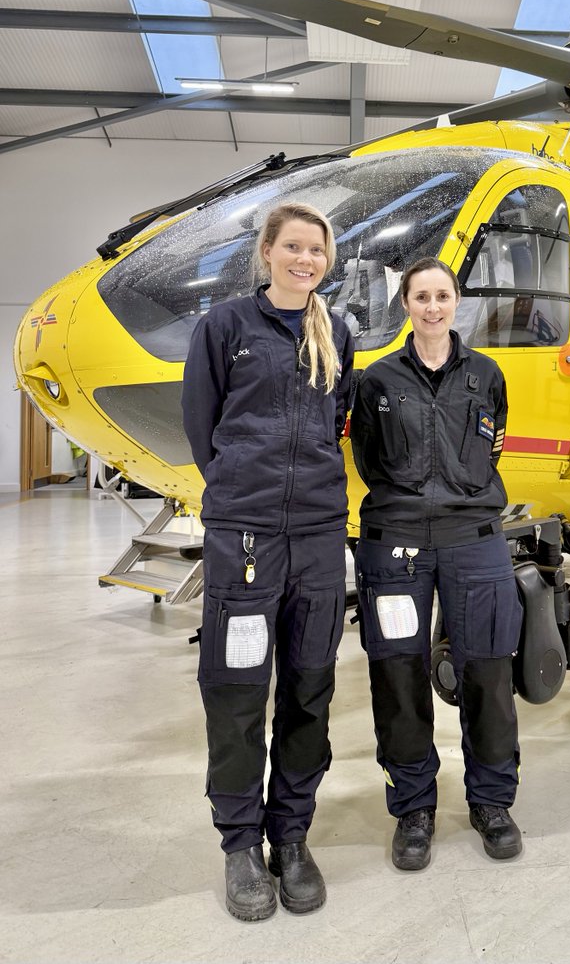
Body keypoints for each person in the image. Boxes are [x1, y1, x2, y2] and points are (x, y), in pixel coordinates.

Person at [182, 203, 354, 922]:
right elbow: (202, 423)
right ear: (267, 252)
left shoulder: (337, 331)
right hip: (245, 538)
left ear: (326, 258)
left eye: (315, 250)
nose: (303, 259)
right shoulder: (224, 328)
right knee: (236, 690)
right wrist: (239, 492)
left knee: (310, 690)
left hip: (317, 534)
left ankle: (291, 835)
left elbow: (335, 420)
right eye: (292, 247)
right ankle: (239, 845)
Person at [350, 257, 523, 872]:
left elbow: (493, 441)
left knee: (487, 672)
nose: (432, 307)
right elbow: (370, 461)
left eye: (442, 296)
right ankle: (414, 808)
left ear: (456, 303)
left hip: (474, 538)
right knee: (398, 676)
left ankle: (492, 802)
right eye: (420, 296)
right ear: (405, 304)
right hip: (394, 540)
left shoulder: (486, 375)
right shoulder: (376, 381)